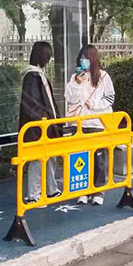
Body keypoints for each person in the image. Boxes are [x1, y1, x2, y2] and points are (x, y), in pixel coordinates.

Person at [65, 45, 115, 206]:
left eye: (86, 58)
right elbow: (70, 98)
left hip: (96, 123)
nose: (83, 61)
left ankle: (98, 191)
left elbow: (110, 98)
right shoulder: (75, 77)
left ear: (93, 59)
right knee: (80, 159)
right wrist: (77, 83)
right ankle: (83, 191)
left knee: (98, 158)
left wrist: (94, 104)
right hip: (79, 123)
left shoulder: (103, 76)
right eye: (81, 58)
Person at [19, 41, 62, 204]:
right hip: (38, 128)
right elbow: (32, 105)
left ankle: (51, 190)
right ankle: (34, 195)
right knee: (37, 160)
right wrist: (45, 120)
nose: (49, 60)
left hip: (47, 126)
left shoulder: (39, 75)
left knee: (50, 158)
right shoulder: (32, 77)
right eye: (48, 56)